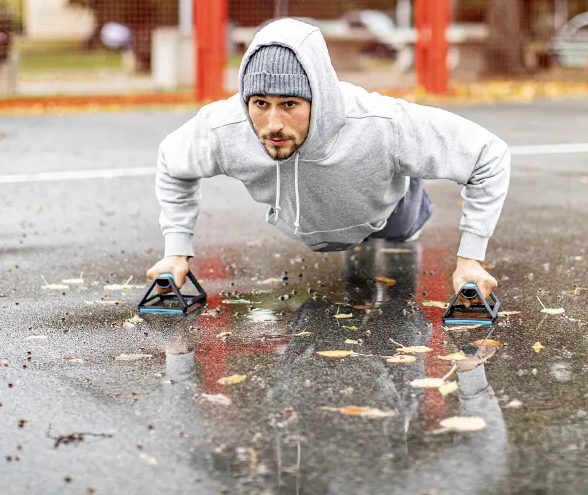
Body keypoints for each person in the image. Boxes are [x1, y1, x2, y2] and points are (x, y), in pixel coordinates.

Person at [147, 17, 510, 300]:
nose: (273, 123)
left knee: (397, 241)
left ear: (316, 98)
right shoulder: (225, 127)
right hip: (306, 222)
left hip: (385, 212)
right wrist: (176, 251)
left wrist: (470, 259)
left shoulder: (381, 122)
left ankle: (405, 175)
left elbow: (488, 155)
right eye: (261, 104)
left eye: (289, 104)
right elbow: (171, 160)